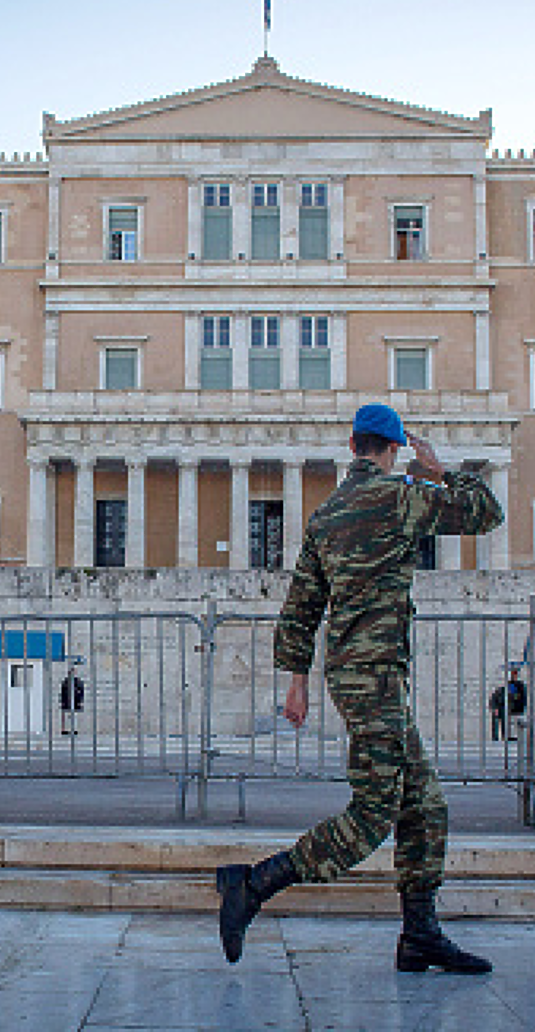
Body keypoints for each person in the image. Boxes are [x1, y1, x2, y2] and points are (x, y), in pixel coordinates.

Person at [215, 402, 503, 973]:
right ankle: (253, 885)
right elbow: (484, 512)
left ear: (353, 446)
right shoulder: (402, 497)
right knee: (374, 814)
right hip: (376, 680)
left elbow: (301, 609)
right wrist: (439, 471)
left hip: (351, 677)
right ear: (393, 448)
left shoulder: (327, 514)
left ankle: (419, 934)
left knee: (425, 806)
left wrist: (296, 683)